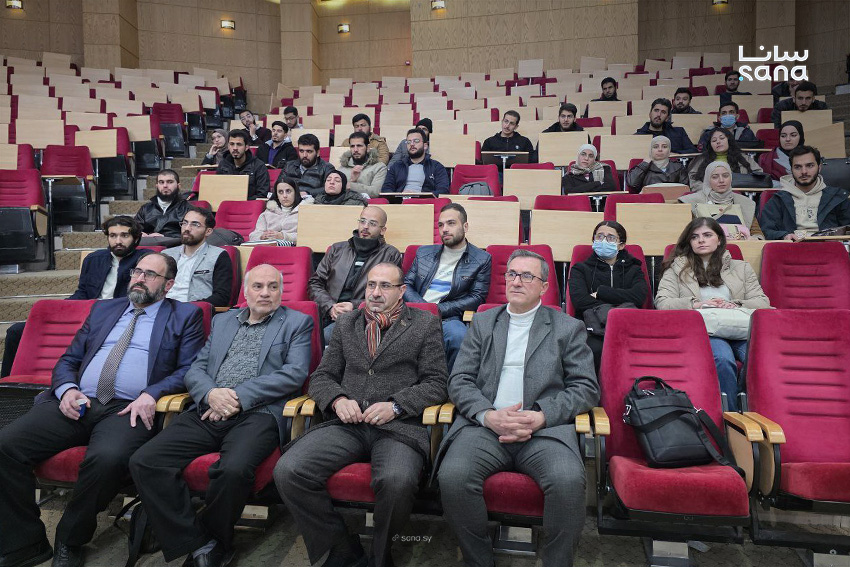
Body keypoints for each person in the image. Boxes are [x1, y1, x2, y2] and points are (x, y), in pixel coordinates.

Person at [0, 253, 205, 567]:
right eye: (137, 271)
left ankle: (70, 538)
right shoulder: (103, 309)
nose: (139, 278)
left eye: (150, 274)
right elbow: (68, 360)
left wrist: (151, 394)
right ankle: (26, 543)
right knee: (5, 446)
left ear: (168, 285)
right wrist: (67, 389)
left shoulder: (185, 315)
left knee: (107, 459)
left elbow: (189, 369)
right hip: (78, 401)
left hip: (128, 409)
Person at [129, 264, 313, 567]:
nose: (265, 293)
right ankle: (200, 542)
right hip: (208, 409)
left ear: (282, 291)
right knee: (145, 460)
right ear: (245, 291)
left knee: (233, 470)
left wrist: (236, 397)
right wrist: (211, 394)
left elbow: (294, 374)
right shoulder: (223, 320)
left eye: (273, 287)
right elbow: (196, 369)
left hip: (258, 413)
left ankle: (215, 540)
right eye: (258, 286)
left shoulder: (297, 322)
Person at [274, 263, 448, 567]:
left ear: (402, 291)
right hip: (348, 423)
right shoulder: (347, 323)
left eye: (385, 286)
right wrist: (338, 399)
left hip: (398, 427)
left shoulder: (424, 323)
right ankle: (340, 548)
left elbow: (436, 383)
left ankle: (380, 555)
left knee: (397, 481)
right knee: (289, 470)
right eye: (371, 285)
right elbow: (322, 377)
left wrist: (395, 405)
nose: (376, 292)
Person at [437, 249, 599, 567]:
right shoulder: (483, 322)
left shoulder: (567, 327)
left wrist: (541, 416)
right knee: (453, 476)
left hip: (544, 430)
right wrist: (487, 415)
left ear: (544, 286)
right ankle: (478, 560)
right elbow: (459, 380)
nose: (516, 281)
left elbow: (586, 388)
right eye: (511, 274)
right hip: (485, 427)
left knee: (567, 481)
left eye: (527, 276)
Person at [1, 216, 151, 378]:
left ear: (136, 238)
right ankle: (7, 384)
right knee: (16, 331)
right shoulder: (93, 259)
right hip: (86, 316)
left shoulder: (145, 261)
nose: (118, 241)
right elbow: (83, 292)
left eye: (124, 235)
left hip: (118, 320)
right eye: (113, 236)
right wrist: (60, 310)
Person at [656, 217, 770, 411]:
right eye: (695, 237)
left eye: (707, 235)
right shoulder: (676, 268)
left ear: (719, 240)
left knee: (759, 358)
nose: (701, 240)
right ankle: (731, 416)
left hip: (739, 327)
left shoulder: (741, 268)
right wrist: (697, 304)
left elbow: (762, 302)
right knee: (723, 360)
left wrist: (734, 304)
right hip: (706, 329)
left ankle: (750, 408)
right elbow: (662, 303)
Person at [403, 203, 491, 370]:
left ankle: (451, 384)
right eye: (441, 225)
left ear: (465, 226)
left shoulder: (481, 259)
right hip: (413, 313)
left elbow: (477, 297)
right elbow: (406, 285)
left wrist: (437, 310)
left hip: (448, 317)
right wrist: (424, 308)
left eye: (451, 223)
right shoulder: (423, 253)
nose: (444, 229)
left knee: (459, 337)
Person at [308, 205, 402, 343]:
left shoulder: (390, 254)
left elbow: (389, 293)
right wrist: (330, 307)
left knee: (327, 337)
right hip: (326, 312)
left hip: (363, 316)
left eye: (372, 224)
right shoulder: (337, 249)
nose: (365, 227)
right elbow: (315, 283)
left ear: (382, 230)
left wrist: (355, 306)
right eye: (362, 221)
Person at [567, 221, 648, 371]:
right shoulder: (580, 269)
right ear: (593, 240)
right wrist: (620, 301)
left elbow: (638, 297)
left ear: (621, 245)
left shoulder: (634, 269)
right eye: (599, 236)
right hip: (591, 328)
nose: (604, 241)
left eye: (611, 238)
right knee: (593, 349)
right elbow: (580, 301)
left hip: (627, 325)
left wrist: (601, 293)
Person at [760, 145, 850, 241]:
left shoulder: (838, 197)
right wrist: (784, 236)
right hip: (792, 247)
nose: (804, 171)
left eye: (809, 166)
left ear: (819, 167)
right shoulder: (778, 200)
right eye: (798, 167)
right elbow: (766, 231)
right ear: (791, 170)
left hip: (829, 247)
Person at [162, 206, 234, 307]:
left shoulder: (219, 255)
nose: (187, 228)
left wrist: (192, 307)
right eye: (185, 223)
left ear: (208, 231)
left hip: (194, 311)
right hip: (162, 308)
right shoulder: (166, 254)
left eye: (195, 224)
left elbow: (221, 297)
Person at [679, 161, 764, 239]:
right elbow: (686, 236)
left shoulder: (745, 202)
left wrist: (751, 239)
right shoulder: (691, 202)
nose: (721, 180)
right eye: (715, 177)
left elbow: (758, 234)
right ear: (708, 180)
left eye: (725, 176)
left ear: (731, 178)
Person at [687, 127, 762, 192]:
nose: (718, 142)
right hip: (709, 195)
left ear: (729, 140)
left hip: (739, 194)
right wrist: (709, 190)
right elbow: (694, 180)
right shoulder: (701, 160)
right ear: (710, 145)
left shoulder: (743, 158)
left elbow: (759, 174)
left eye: (722, 138)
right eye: (714, 140)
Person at [382, 128, 450, 194]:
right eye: (409, 142)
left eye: (416, 141)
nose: (412, 144)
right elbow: (386, 189)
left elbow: (443, 190)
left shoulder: (436, 167)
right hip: (400, 200)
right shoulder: (396, 166)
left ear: (425, 146)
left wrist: (419, 195)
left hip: (425, 201)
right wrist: (399, 195)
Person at [134, 169, 190, 246]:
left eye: (170, 182)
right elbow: (134, 229)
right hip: (147, 247)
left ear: (178, 186)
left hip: (175, 247)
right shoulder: (146, 208)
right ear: (157, 186)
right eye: (161, 182)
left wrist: (164, 237)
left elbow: (191, 234)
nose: (165, 185)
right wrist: (140, 234)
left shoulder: (188, 209)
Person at [215, 130, 271, 200]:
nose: (235, 148)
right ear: (228, 146)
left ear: (246, 147)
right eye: (232, 144)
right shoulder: (223, 164)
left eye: (239, 144)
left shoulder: (259, 166)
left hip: (249, 205)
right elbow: (217, 190)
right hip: (226, 204)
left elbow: (262, 194)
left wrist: (242, 200)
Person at [248, 175, 303, 244]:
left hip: (293, 248)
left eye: (288, 191)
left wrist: (283, 236)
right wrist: (261, 237)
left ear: (295, 192)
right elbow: (253, 236)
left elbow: (308, 237)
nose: (285, 196)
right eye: (280, 192)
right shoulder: (268, 212)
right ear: (277, 195)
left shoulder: (305, 211)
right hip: (270, 247)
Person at [282, 132, 335, 198]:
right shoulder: (289, 166)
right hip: (288, 200)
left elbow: (331, 188)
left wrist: (308, 193)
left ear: (318, 153)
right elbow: (279, 185)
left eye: (309, 151)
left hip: (312, 201)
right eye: (301, 151)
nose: (304, 155)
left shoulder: (327, 168)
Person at [337, 130, 388, 197]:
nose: (355, 150)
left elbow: (376, 192)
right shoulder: (342, 168)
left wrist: (351, 185)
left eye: (359, 146)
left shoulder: (379, 167)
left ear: (368, 148)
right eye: (352, 146)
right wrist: (352, 181)